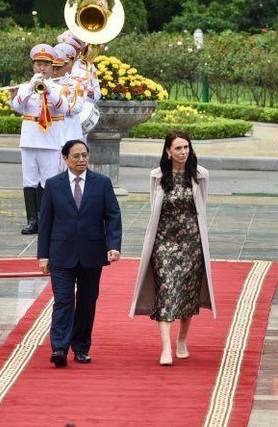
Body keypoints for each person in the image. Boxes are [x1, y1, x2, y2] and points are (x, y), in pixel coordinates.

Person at [129, 130, 216, 366]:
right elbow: (154, 209)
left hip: (192, 244)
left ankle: (182, 340)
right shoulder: (157, 176)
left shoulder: (200, 175)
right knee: (167, 291)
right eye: (178, 148)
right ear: (168, 151)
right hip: (164, 243)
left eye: (186, 147)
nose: (183, 152)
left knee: (187, 294)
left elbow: (202, 207)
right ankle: (165, 348)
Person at [37, 139, 122, 367]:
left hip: (92, 253)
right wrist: (43, 256)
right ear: (64, 158)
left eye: (84, 155)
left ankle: (81, 347)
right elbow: (45, 222)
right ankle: (60, 349)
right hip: (61, 254)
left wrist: (113, 245)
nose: (81, 159)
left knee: (86, 302)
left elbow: (113, 215)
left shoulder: (102, 183)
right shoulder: (53, 184)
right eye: (76, 156)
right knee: (63, 301)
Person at [9, 44, 67, 235]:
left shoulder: (58, 87)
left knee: (48, 182)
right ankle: (32, 220)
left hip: (49, 142)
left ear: (52, 66)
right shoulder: (26, 87)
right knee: (29, 181)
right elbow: (16, 106)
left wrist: (48, 89)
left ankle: (46, 220)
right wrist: (29, 88)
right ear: (33, 66)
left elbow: (63, 108)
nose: (41, 68)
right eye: (38, 64)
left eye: (45, 64)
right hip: (29, 140)